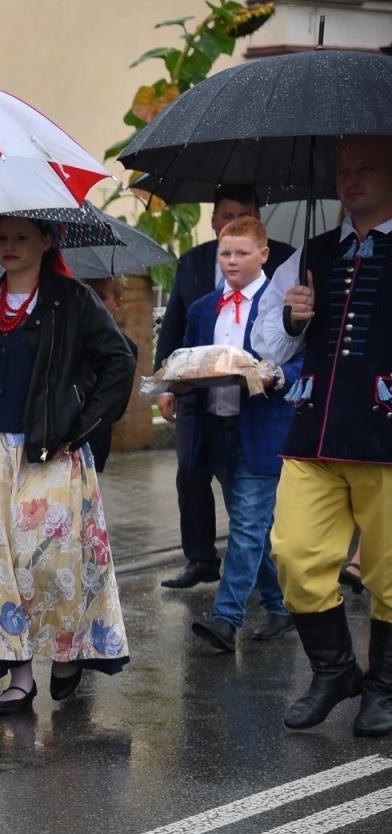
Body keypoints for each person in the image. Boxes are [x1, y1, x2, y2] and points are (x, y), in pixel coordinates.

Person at [0, 216, 135, 713]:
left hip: (48, 450)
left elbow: (119, 362)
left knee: (50, 563)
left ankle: (66, 651)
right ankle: (19, 675)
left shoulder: (73, 299)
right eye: (0, 238)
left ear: (45, 240)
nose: (8, 247)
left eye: (20, 237)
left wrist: (78, 427)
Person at [253, 135, 392, 737]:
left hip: (385, 434)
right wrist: (291, 314)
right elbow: (264, 347)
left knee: (390, 572)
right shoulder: (309, 254)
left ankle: (384, 687)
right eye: (342, 170)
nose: (350, 179)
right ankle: (335, 671)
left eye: (366, 169)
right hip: (313, 431)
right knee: (294, 554)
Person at [156, 185, 295, 590]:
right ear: (214, 220)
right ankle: (200, 558)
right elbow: (176, 327)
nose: (232, 223)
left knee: (250, 513)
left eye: (242, 214)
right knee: (193, 474)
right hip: (200, 399)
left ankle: (233, 609)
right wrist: (167, 382)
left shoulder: (283, 265)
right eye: (226, 215)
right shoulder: (194, 262)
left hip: (257, 410)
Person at [180, 216, 301, 652]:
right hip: (216, 430)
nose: (231, 261)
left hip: (263, 429)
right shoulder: (202, 308)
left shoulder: (286, 304)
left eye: (241, 253)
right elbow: (190, 361)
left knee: (247, 528)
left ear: (264, 254)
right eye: (225, 253)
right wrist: (178, 382)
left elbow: (303, 363)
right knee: (257, 529)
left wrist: (273, 376)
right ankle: (281, 606)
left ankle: (226, 619)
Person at [83, 275, 136, 472]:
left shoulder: (125, 350)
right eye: (88, 294)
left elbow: (116, 406)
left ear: (117, 304)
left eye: (102, 297)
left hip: (93, 436)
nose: (93, 302)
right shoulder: (67, 334)